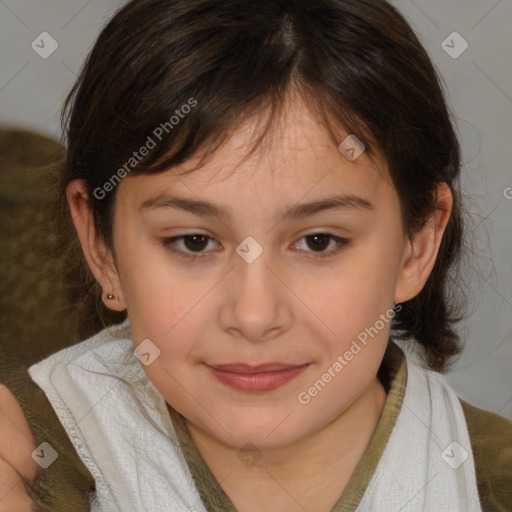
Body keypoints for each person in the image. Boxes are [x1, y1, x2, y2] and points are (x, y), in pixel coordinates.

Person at [1, 0, 511, 511]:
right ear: (100, 245)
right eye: (193, 242)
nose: (253, 315)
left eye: (319, 242)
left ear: (416, 244)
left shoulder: (490, 477)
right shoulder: (27, 464)